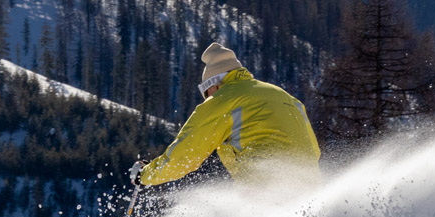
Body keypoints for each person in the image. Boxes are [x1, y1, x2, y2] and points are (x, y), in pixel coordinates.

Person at [129, 42, 320, 188]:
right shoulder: (288, 98)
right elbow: (314, 150)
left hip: (265, 188)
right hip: (311, 189)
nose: (207, 98)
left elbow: (184, 156)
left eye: (206, 92)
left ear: (214, 85)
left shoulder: (222, 100)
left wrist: (145, 175)